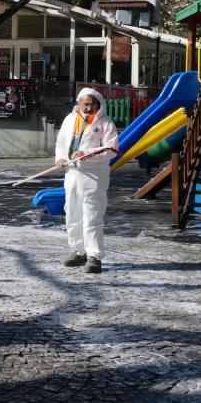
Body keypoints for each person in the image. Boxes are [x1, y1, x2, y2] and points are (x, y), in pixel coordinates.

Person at [54, 88, 118, 274]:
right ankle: (78, 251)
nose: (89, 107)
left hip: (94, 175)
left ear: (99, 105)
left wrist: (86, 155)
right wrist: (60, 158)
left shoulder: (106, 123)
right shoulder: (69, 119)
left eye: (93, 104)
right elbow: (61, 142)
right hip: (72, 173)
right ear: (79, 103)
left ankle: (94, 257)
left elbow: (111, 149)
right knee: (72, 212)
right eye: (86, 103)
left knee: (92, 214)